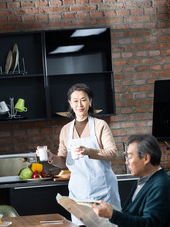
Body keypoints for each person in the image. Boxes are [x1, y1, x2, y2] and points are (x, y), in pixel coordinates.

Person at [37, 83, 121, 226]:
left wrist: (88, 151)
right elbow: (63, 161)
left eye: (83, 99)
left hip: (103, 189)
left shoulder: (100, 125)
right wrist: (51, 158)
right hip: (79, 192)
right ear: (70, 103)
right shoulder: (66, 130)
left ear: (90, 101)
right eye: (75, 100)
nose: (79, 104)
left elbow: (112, 154)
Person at [92, 134, 170, 227]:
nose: (126, 162)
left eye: (129, 157)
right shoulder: (144, 180)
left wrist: (112, 214)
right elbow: (129, 214)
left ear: (146, 158)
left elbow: (150, 224)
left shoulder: (161, 186)